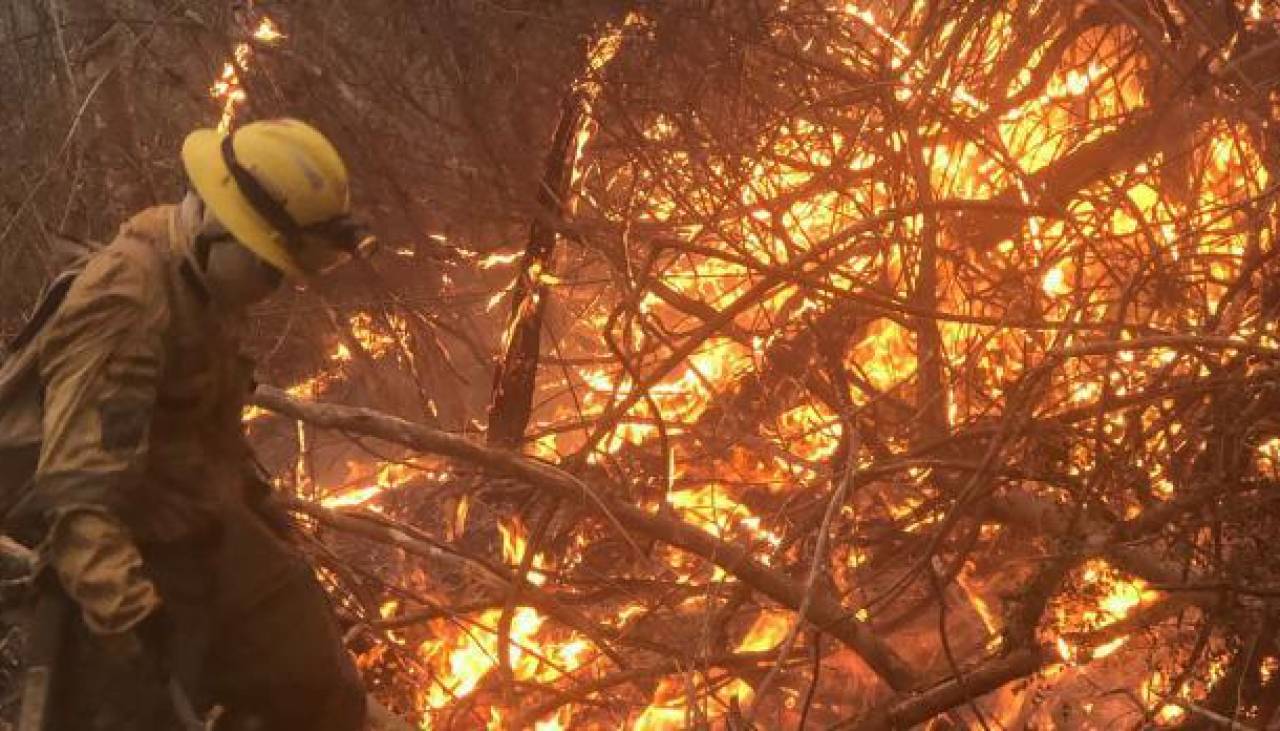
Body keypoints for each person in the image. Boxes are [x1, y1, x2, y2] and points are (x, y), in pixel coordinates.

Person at [12, 118, 371, 730]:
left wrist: (263, 515)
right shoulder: (126, 307)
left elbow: (204, 433)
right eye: (266, 268)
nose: (271, 288)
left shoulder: (200, 279)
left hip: (198, 519)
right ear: (216, 228)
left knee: (317, 681)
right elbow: (76, 502)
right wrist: (134, 623)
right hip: (118, 558)